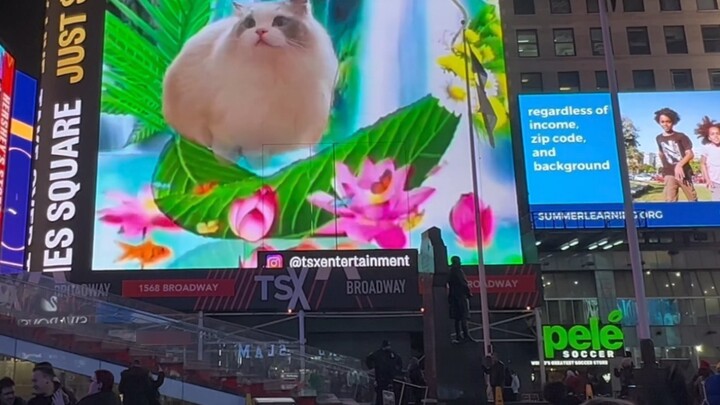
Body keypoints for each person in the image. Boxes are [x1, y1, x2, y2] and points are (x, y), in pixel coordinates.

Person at [655, 107, 697, 202]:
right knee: (670, 201)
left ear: (673, 122)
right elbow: (661, 153)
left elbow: (690, 154)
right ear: (659, 122)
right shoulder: (658, 138)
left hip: (683, 173)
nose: (665, 124)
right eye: (662, 121)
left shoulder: (681, 136)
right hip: (669, 174)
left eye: (668, 121)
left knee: (692, 199)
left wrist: (679, 165)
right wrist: (664, 169)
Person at [366, 341, 402, 405]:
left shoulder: (379, 353)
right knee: (385, 395)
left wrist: (371, 367)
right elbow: (399, 362)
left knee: (381, 395)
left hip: (383, 378)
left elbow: (368, 359)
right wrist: (396, 371)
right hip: (386, 378)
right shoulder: (391, 354)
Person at [447, 256, 471, 343]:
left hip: (454, 297)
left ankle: (459, 335)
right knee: (463, 316)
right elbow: (463, 283)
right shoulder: (457, 271)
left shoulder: (450, 271)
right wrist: (468, 293)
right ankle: (465, 335)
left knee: (457, 318)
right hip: (460, 297)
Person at [698, 119, 720, 200]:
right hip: (715, 183)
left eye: (718, 133)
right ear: (709, 137)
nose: (716, 136)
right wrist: (707, 180)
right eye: (712, 134)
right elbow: (703, 164)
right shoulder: (706, 149)